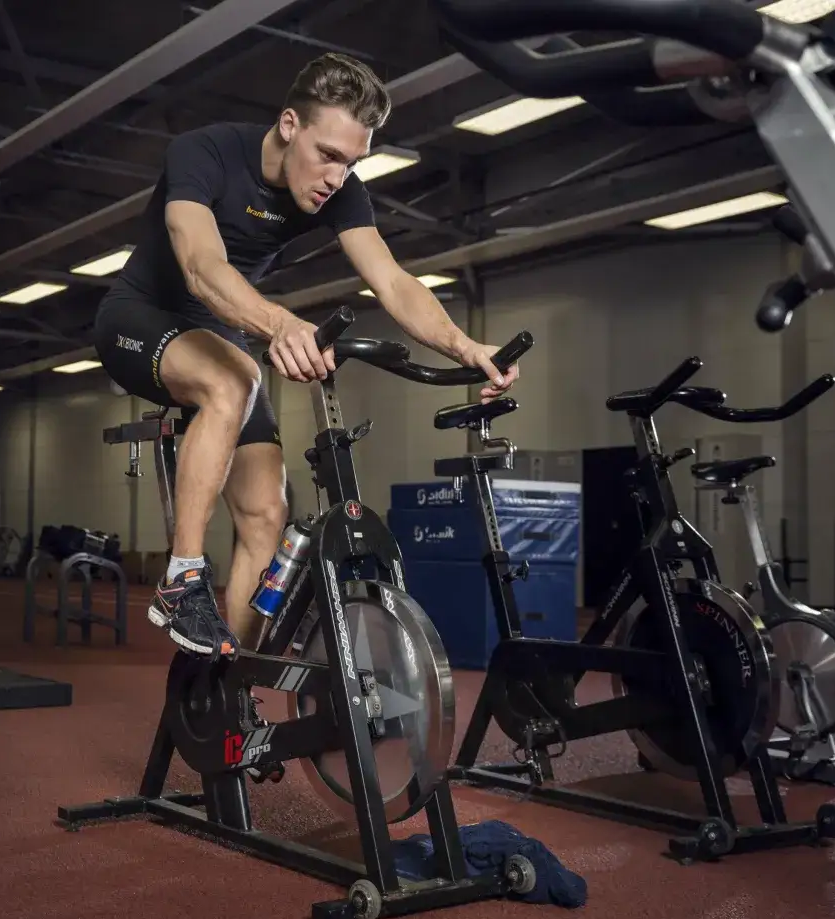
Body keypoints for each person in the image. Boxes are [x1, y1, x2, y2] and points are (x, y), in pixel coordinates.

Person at [94, 52, 520, 661]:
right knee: (233, 380)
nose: (336, 177)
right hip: (140, 316)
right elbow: (200, 266)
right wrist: (280, 325)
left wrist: (467, 345)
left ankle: (225, 680)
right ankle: (181, 578)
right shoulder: (206, 152)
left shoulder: (340, 190)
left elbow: (394, 283)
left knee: (268, 512)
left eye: (352, 162)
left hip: (221, 331)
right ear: (289, 124)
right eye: (328, 154)